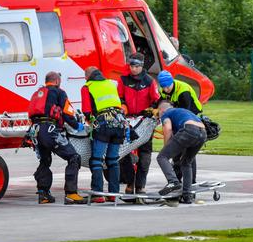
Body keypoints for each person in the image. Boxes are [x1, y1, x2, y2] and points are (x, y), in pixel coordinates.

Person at [28, 71, 87, 205]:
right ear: (56, 81)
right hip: (49, 130)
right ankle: (71, 194)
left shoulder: (37, 94)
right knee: (74, 157)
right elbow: (67, 113)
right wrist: (77, 125)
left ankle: (43, 194)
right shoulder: (59, 92)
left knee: (45, 160)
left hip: (35, 130)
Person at [117, 52, 160, 196]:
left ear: (142, 66)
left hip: (144, 121)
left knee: (145, 155)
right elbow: (120, 97)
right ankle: (130, 182)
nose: (133, 69)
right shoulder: (123, 80)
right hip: (128, 120)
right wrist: (123, 107)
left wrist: (151, 110)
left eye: (136, 66)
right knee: (123, 153)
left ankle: (140, 185)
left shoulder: (149, 81)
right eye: (131, 66)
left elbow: (156, 100)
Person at [81, 66, 126, 203]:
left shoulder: (87, 87)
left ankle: (98, 194)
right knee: (113, 160)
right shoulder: (111, 83)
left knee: (97, 160)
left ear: (87, 76)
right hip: (119, 122)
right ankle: (114, 194)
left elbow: (87, 111)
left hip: (103, 123)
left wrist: (89, 122)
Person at [156, 100, 207, 204]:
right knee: (186, 162)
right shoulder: (182, 111)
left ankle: (173, 182)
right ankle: (187, 196)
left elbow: (168, 128)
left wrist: (166, 147)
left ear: (161, 110)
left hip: (189, 130)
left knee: (162, 157)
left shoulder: (166, 114)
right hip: (203, 133)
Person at [157, 70, 203, 183]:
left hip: (191, 115)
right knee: (180, 151)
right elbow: (160, 102)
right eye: (163, 87)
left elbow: (185, 111)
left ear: (172, 82)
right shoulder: (163, 90)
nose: (166, 90)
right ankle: (179, 179)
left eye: (168, 87)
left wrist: (167, 147)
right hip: (179, 119)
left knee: (187, 150)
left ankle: (190, 181)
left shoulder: (183, 91)